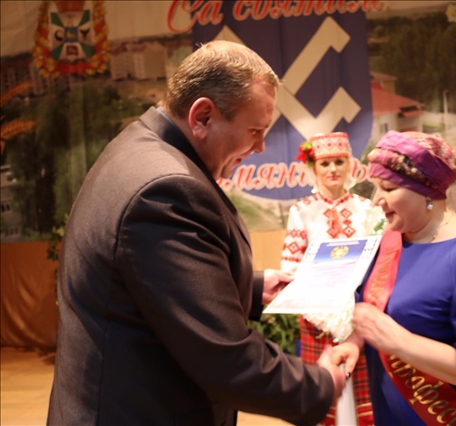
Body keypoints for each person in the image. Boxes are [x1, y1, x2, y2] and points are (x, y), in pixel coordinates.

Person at [47, 40, 346, 426]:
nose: (260, 146)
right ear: (202, 116)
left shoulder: (138, 145)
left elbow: (152, 281)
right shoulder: (166, 191)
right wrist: (321, 382)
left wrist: (252, 286)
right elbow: (226, 360)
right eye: (255, 130)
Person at [332, 130, 456, 426]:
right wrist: (354, 343)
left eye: (388, 188)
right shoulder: (391, 240)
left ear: (427, 192)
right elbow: (375, 312)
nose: (376, 200)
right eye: (374, 187)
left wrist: (399, 341)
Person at [281, 132, 380, 426]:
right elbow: (290, 267)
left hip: (360, 313)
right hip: (318, 315)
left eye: (339, 161)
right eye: (325, 163)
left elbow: (378, 262)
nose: (333, 169)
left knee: (365, 389)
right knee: (324, 388)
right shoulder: (301, 211)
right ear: (314, 167)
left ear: (350, 164)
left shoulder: (367, 208)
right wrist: (327, 314)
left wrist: (355, 309)